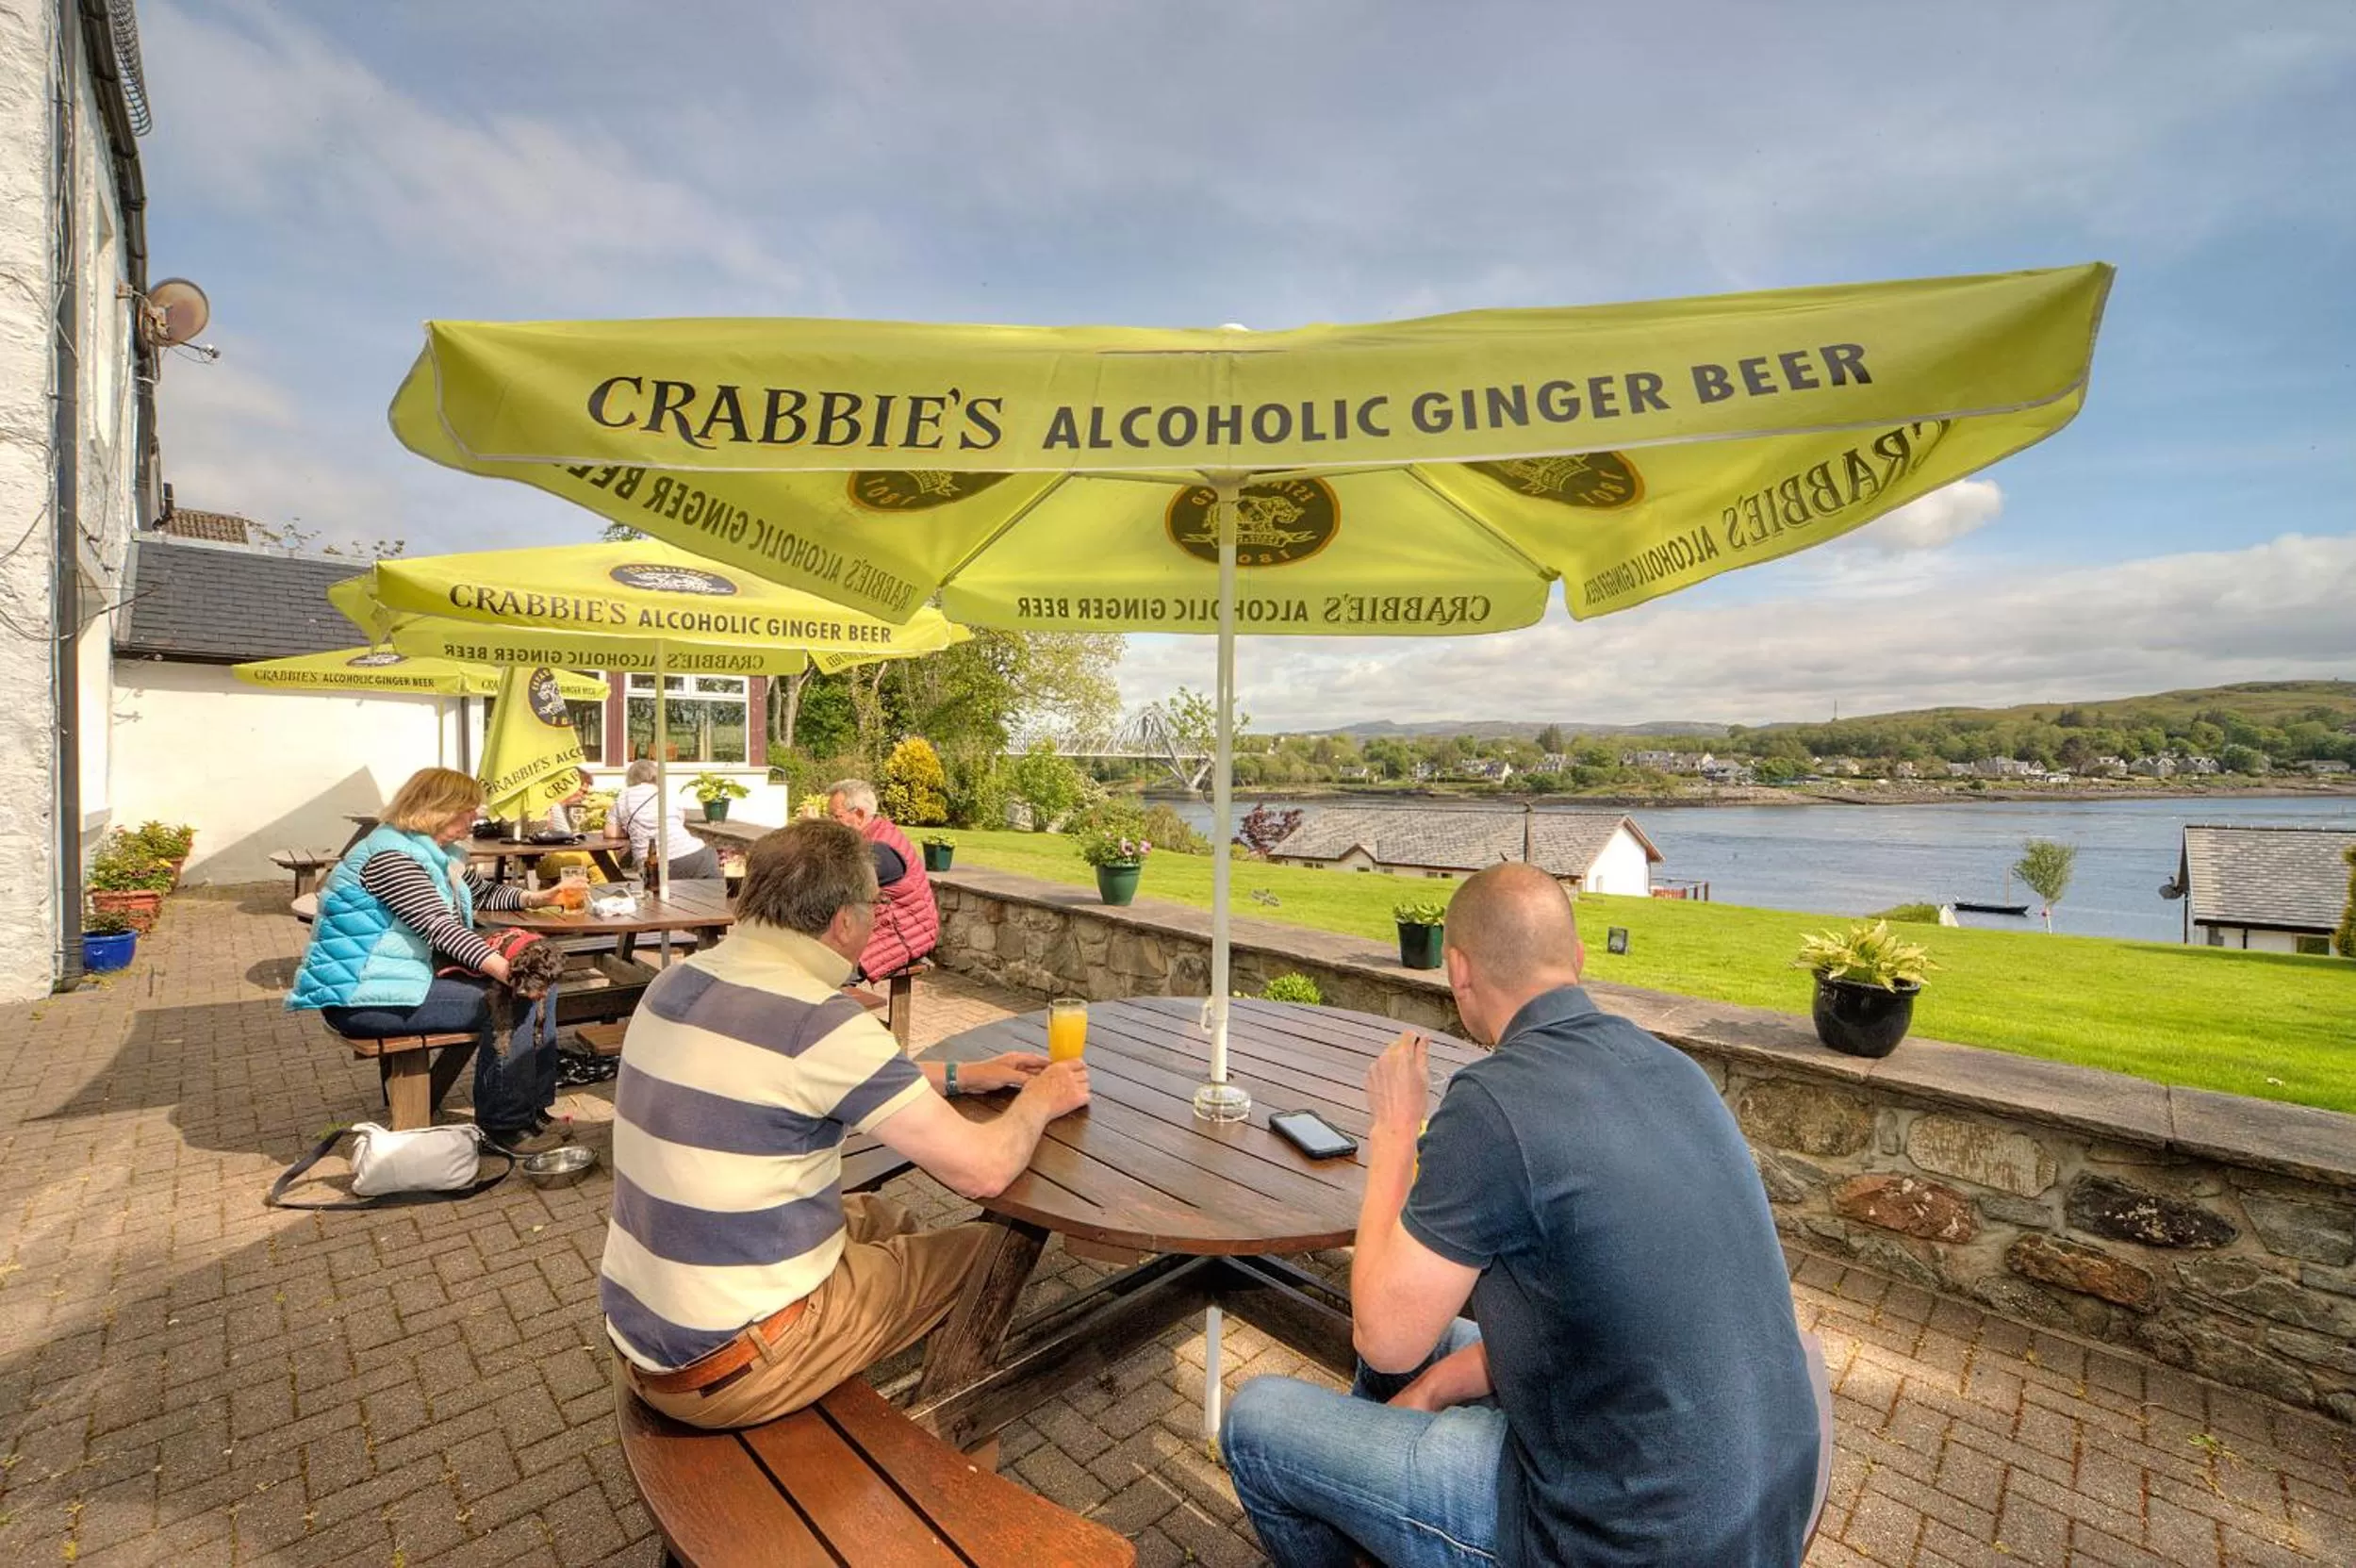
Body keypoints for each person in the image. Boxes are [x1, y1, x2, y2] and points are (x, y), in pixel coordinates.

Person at [1222, 863, 1820, 1568]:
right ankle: (1373, 1516)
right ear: (1576, 959)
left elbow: (1383, 1335)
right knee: (1422, 1353)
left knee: (1255, 1421)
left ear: (1457, 969)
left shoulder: (1492, 1100)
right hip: (1758, 1505)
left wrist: (1393, 1128)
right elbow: (1594, 1322)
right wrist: (1434, 1386)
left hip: (1620, 1539)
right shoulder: (1674, 1069)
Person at [600, 818, 1090, 1428]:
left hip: (643, 1333)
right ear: (844, 922)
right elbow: (984, 1169)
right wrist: (1040, 1096)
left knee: (882, 1218)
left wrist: (965, 1074)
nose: (878, 918)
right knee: (997, 1250)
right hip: (735, 1364)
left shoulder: (676, 980)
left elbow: (816, 1073)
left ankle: (894, 1320)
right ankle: (952, 1424)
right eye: (875, 905)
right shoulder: (819, 1021)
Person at [287, 767, 571, 1155]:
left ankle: (532, 1110)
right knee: (511, 996)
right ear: (438, 808)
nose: (476, 818)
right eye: (468, 810)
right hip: (361, 995)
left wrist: (540, 898)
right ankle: (504, 1127)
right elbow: (441, 928)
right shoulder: (391, 857)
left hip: (399, 981)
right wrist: (507, 972)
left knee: (540, 985)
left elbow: (482, 892)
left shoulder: (435, 854)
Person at [824, 778, 936, 982]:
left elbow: (833, 884)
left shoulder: (880, 850)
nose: (830, 824)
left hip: (900, 936)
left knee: (821, 975)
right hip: (879, 928)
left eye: (835, 817)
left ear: (858, 815)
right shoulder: (868, 837)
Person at [612, 758, 720, 884]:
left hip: (655, 865)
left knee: (662, 899)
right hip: (696, 855)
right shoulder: (667, 793)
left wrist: (630, 832)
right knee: (716, 895)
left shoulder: (624, 797)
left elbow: (610, 832)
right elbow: (678, 821)